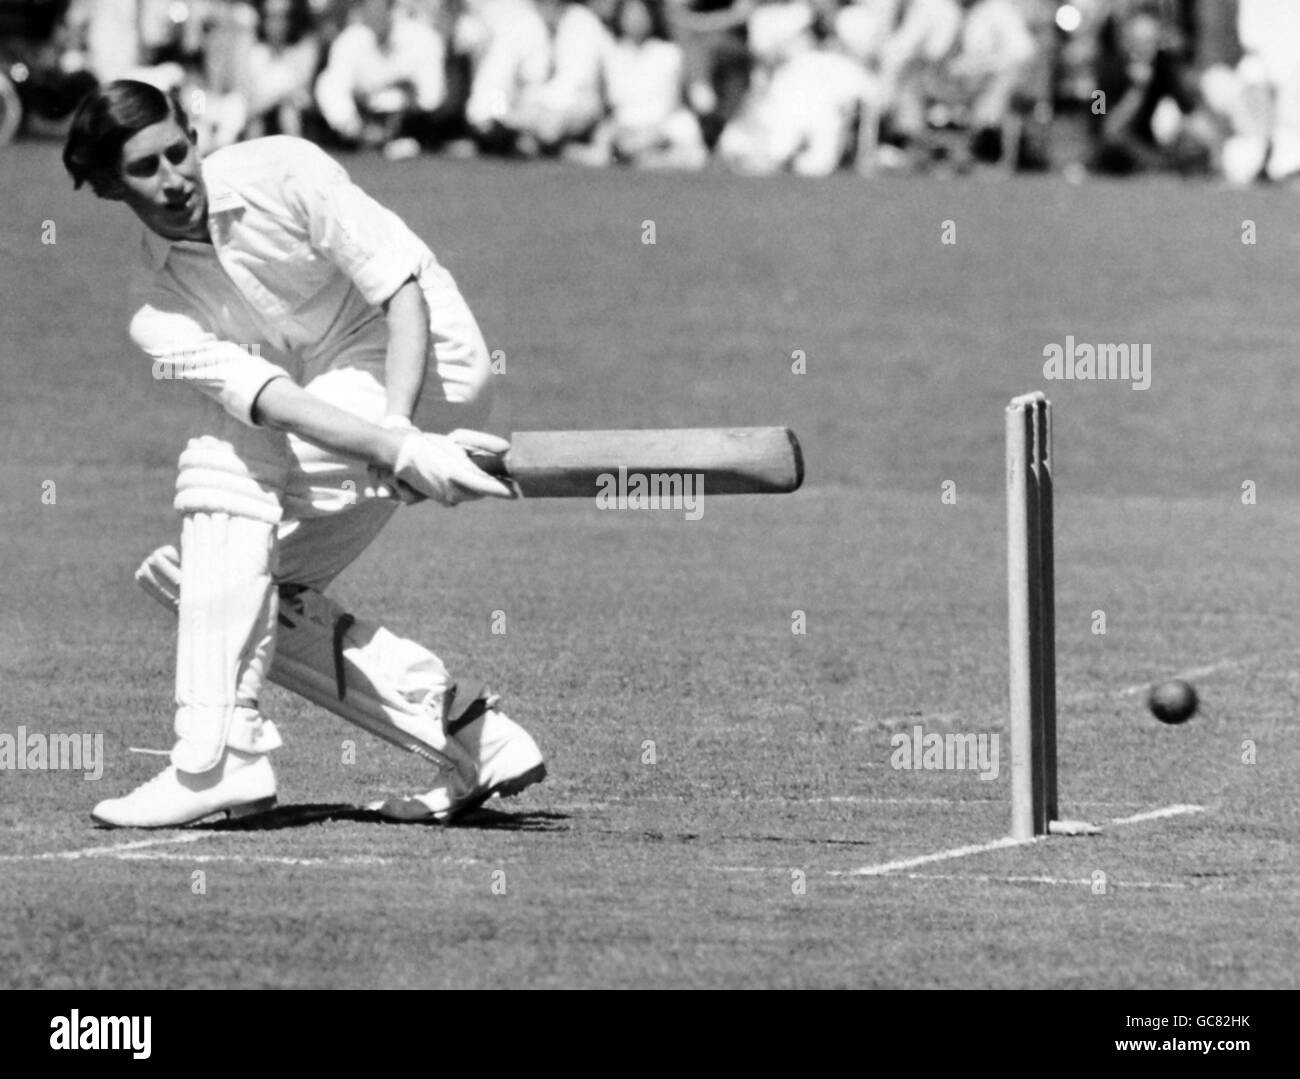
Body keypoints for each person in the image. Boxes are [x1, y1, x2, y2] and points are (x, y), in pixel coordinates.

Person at [62, 79, 546, 828]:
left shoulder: (283, 168)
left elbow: (402, 293)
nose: (174, 180)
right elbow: (273, 401)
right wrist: (391, 448)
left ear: (194, 134)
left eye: (178, 153)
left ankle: (217, 755)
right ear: (104, 187)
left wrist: (402, 429)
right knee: (228, 589)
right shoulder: (153, 308)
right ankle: (471, 735)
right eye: (144, 170)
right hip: (347, 412)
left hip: (434, 362)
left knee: (222, 464)